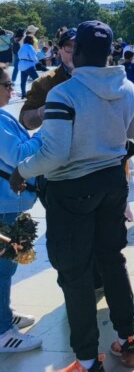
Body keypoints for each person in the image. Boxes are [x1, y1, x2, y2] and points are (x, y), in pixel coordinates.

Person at [11, 21, 134, 371]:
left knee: (76, 275)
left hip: (71, 189)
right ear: (110, 51)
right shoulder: (127, 86)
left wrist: (21, 170)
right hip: (112, 181)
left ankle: (87, 360)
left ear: (79, 51)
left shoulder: (65, 93)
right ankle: (128, 342)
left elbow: (54, 154)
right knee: (112, 261)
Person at [0, 66, 43, 354]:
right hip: (3, 204)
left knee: (9, 264)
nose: (11, 89)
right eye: (6, 84)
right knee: (3, 268)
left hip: (8, 203)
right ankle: (3, 331)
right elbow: (17, 155)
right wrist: (45, 135)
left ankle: (4, 314)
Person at [18, 29, 76, 130]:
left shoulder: (102, 78)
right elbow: (25, 122)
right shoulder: (46, 82)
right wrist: (45, 110)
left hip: (95, 144)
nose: (74, 52)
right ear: (59, 50)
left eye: (79, 46)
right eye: (69, 46)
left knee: (22, 81)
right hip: (60, 143)